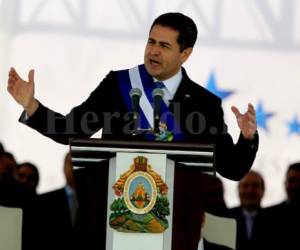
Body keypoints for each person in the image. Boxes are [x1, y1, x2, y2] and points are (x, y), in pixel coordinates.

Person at [7, 12, 258, 250]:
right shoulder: (118, 85)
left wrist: (247, 138)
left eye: (165, 46)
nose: (153, 51)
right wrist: (32, 105)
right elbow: (70, 129)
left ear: (186, 53)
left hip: (176, 231)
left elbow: (231, 168)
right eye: (151, 41)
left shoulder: (204, 104)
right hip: (113, 225)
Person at [38, 152, 78, 250]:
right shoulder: (44, 201)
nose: (74, 168)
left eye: (78, 164)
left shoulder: (96, 200)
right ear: (63, 168)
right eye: (71, 163)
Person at [263, 162, 300, 250]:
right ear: (285, 183)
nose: (295, 186)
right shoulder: (268, 216)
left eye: (299, 181)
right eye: (291, 180)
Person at [228, 170, 266, 250]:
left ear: (263, 191)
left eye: (255, 186)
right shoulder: (225, 218)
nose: (250, 191)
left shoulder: (275, 220)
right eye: (245, 186)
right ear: (238, 191)